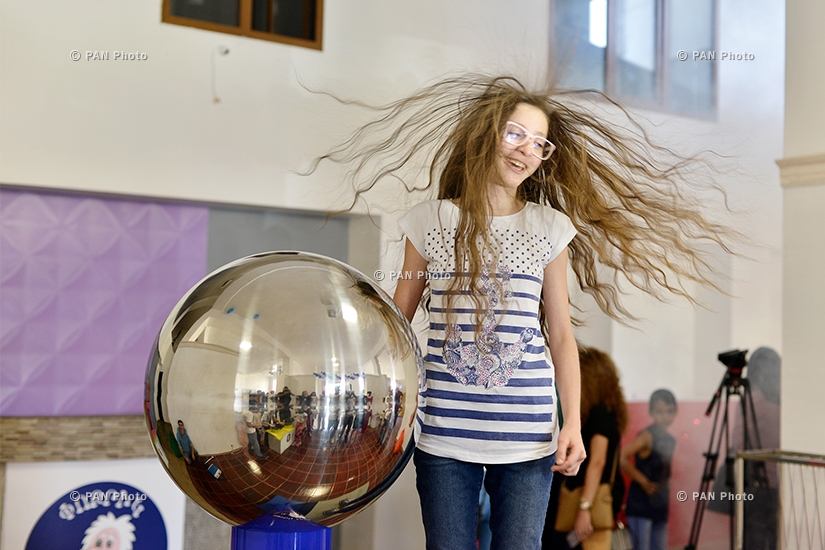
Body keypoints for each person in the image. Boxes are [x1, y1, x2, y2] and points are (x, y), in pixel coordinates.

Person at [308, 74, 738, 550]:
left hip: (529, 434)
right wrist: (369, 398)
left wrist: (570, 423)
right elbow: (398, 324)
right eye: (515, 134)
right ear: (485, 133)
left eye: (540, 144)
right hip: (444, 434)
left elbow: (560, 337)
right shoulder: (429, 220)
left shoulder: (548, 228)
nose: (526, 151)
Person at [544, 347, 628, 550]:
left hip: (586, 498)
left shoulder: (599, 413)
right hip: (590, 498)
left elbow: (597, 462)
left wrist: (584, 508)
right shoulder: (609, 412)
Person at [620, 389, 677, 550]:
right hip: (641, 505)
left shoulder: (671, 439)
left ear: (675, 412)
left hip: (660, 504)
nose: (665, 416)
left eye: (669, 411)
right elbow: (622, 457)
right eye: (659, 411)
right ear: (651, 412)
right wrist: (643, 481)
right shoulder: (647, 436)